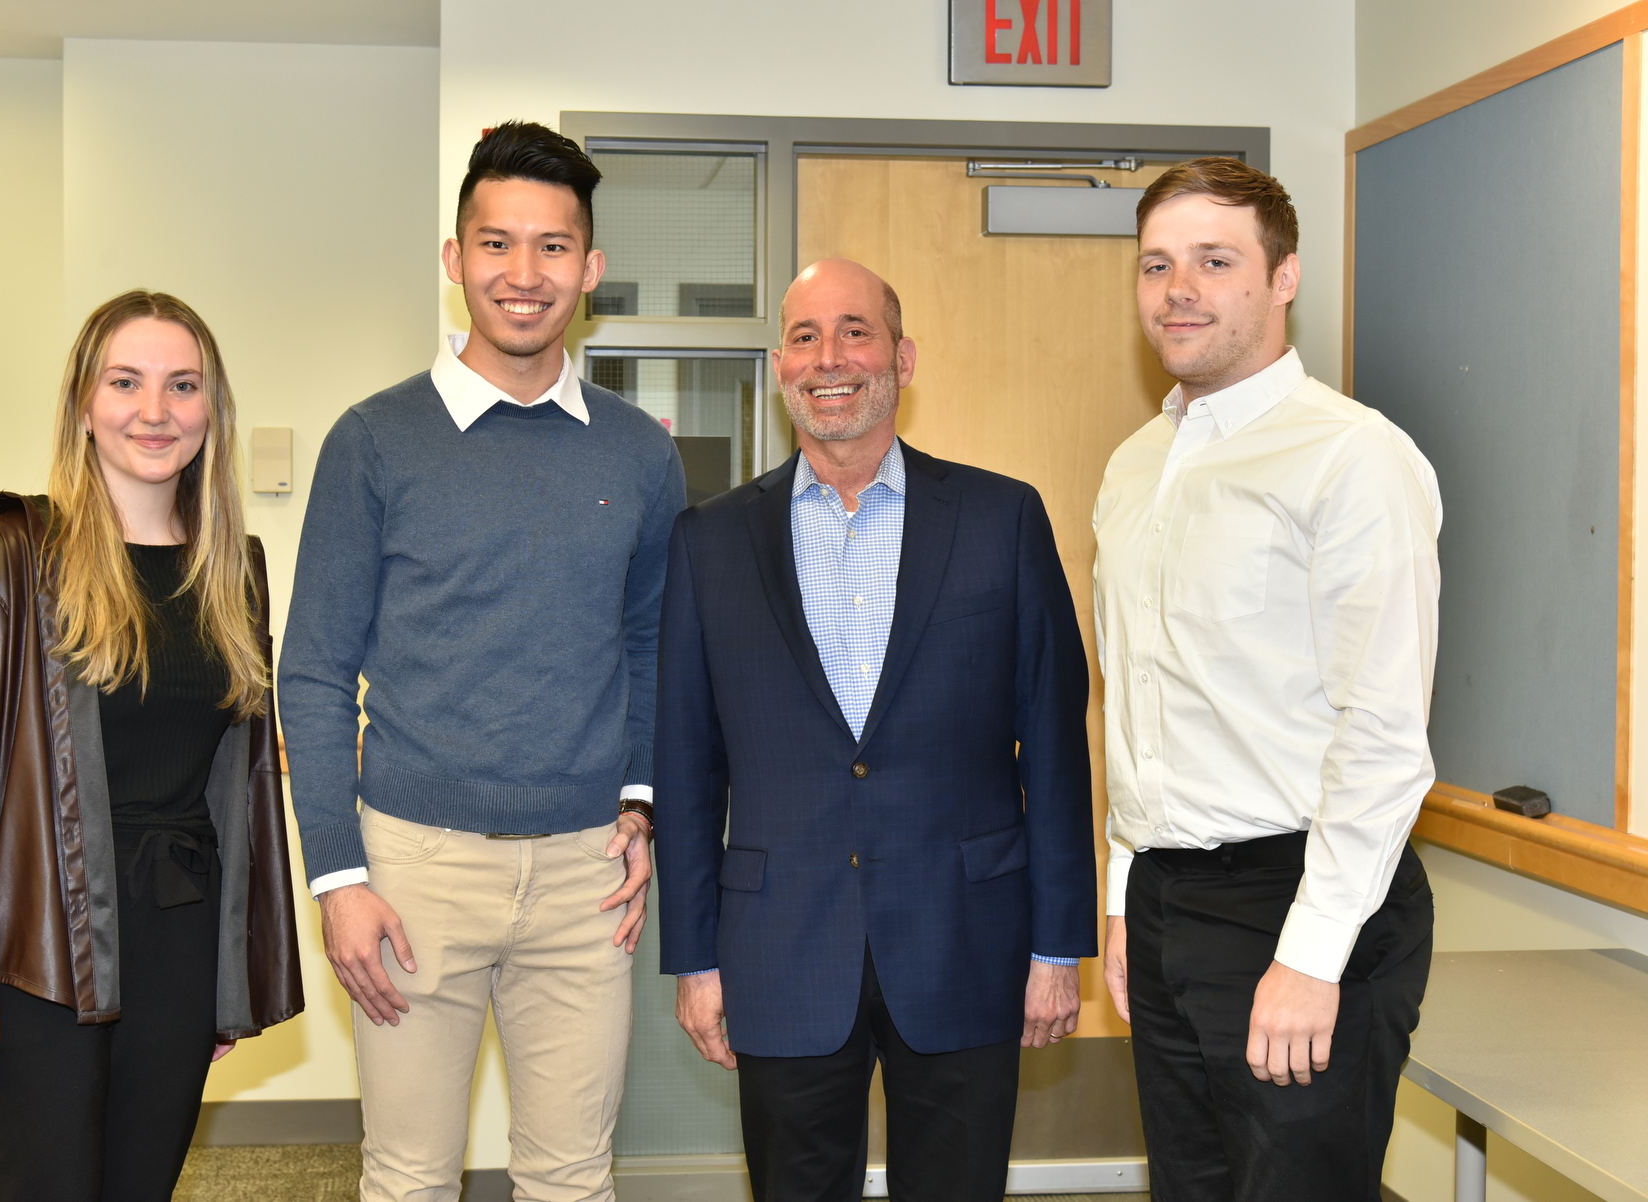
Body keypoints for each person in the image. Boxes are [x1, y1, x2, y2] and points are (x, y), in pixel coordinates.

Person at [278, 121, 684, 1201]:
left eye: (553, 247)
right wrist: (339, 876)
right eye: (496, 244)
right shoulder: (373, 440)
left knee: (570, 1175)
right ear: (455, 259)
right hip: (412, 869)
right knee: (408, 1175)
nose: (524, 272)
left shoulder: (640, 452)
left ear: (590, 271)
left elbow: (651, 641)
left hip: (584, 876)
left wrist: (641, 800)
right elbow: (313, 671)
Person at [655, 258, 1096, 1202]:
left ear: (902, 357)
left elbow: (1055, 747)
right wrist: (694, 959)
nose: (830, 359)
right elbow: (688, 770)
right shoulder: (711, 541)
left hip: (966, 941)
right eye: (806, 337)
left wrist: (1059, 949)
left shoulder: (1001, 518)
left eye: (854, 331)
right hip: (780, 948)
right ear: (780, 365)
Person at [0, 290, 304, 1202]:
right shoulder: (9, 557)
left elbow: (236, 793)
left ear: (210, 411)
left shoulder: (236, 571)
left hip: (176, 945)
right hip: (34, 949)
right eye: (126, 382)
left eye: (182, 386)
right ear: (83, 403)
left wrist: (223, 974)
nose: (155, 411)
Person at [1093, 158, 1441, 1202]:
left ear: (1283, 278)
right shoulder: (1133, 465)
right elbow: (1135, 699)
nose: (1178, 289)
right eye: (1157, 264)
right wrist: (1122, 898)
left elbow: (1383, 733)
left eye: (1214, 260)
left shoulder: (1351, 458)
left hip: (1298, 896)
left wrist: (1313, 951)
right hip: (1163, 902)